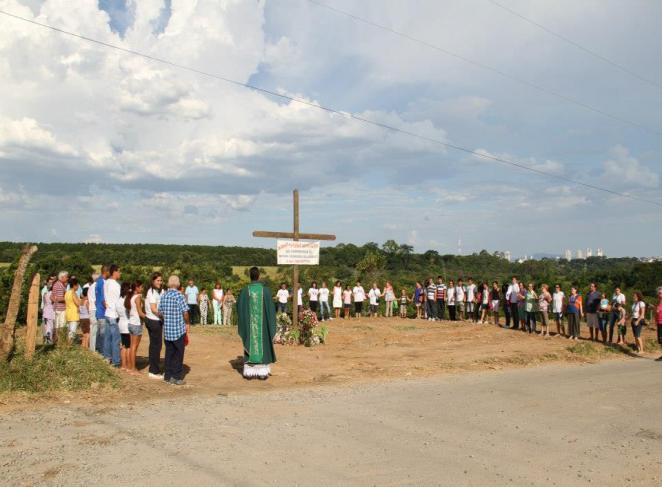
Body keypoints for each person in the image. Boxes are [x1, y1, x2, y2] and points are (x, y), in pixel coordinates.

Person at [237, 267, 277, 380]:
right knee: (263, 343)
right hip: (263, 326)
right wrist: (271, 324)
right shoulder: (266, 291)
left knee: (250, 343)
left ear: (250, 276)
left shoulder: (245, 291)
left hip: (250, 327)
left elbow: (239, 308)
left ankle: (249, 373)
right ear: (259, 276)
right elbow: (271, 309)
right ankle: (262, 373)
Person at [158, 275, 190, 385]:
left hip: (167, 330)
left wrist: (166, 319)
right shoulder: (179, 296)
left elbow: (160, 312)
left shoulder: (164, 296)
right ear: (178, 284)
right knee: (178, 354)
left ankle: (167, 376)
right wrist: (187, 323)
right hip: (178, 330)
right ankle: (176, 377)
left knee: (169, 353)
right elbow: (185, 312)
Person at [144, 272, 164, 379]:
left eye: (161, 280)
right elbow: (153, 309)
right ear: (152, 281)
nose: (160, 282)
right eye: (158, 280)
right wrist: (163, 316)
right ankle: (153, 371)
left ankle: (153, 367)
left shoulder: (155, 291)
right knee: (156, 346)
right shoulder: (152, 293)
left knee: (154, 345)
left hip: (152, 320)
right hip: (154, 321)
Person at [103, 265, 122, 367]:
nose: (120, 273)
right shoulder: (116, 285)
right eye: (119, 271)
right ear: (114, 272)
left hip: (107, 313)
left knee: (107, 338)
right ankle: (116, 361)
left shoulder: (106, 283)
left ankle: (107, 357)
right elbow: (118, 301)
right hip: (114, 314)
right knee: (116, 339)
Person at [128, 281, 146, 374]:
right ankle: (133, 368)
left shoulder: (132, 297)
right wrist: (148, 317)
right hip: (136, 324)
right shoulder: (138, 297)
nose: (142, 289)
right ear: (137, 288)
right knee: (134, 347)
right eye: (141, 287)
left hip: (131, 323)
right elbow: (140, 313)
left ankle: (131, 366)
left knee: (132, 346)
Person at [95, 266, 109, 355]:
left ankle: (98, 353)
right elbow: (104, 299)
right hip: (103, 312)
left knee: (99, 335)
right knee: (103, 336)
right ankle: (103, 354)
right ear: (106, 272)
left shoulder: (98, 282)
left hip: (98, 311)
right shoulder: (103, 282)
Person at [117, 282, 132, 371]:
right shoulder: (127, 300)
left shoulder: (119, 300)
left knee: (123, 346)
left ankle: (123, 365)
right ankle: (129, 365)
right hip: (127, 324)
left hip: (120, 324)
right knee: (129, 346)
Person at [51, 271, 69, 342]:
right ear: (62, 277)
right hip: (60, 308)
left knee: (57, 326)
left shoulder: (57, 284)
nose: (67, 278)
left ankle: (57, 342)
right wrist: (68, 298)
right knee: (61, 326)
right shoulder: (59, 285)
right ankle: (60, 341)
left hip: (57, 308)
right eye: (66, 277)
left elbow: (52, 296)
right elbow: (58, 298)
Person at [64, 277, 80, 343]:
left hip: (68, 313)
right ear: (74, 285)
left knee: (69, 332)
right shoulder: (73, 293)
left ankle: (67, 345)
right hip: (73, 314)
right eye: (77, 285)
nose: (78, 286)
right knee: (72, 333)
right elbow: (78, 303)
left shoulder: (67, 293)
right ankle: (69, 346)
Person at [87, 272, 99, 352]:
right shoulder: (95, 287)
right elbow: (96, 301)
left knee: (93, 329)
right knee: (95, 330)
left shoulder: (90, 287)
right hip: (95, 309)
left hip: (91, 309)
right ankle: (93, 349)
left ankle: (93, 348)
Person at [655, 287, 662, 360]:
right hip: (659, 322)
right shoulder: (659, 302)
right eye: (658, 293)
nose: (659, 294)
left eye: (660, 293)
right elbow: (657, 312)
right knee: (660, 340)